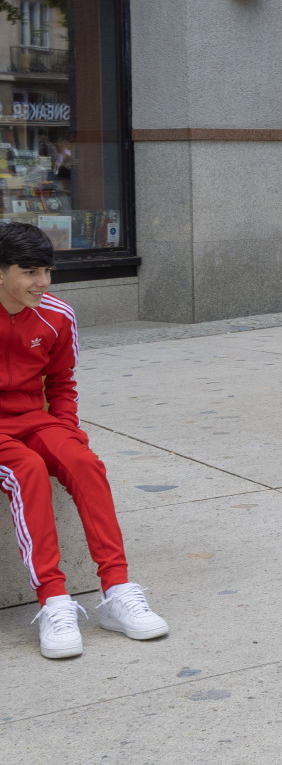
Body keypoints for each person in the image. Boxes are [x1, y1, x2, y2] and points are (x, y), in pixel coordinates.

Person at [0, 224, 168, 658]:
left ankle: (116, 591)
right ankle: (54, 602)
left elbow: (61, 384)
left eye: (47, 272)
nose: (42, 282)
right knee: (27, 470)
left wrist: (68, 435)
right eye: (30, 272)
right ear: (1, 272)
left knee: (84, 463)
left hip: (35, 420)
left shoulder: (57, 315)